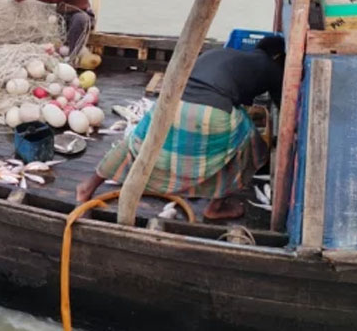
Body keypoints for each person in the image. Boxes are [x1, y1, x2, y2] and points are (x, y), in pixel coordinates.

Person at [75, 36, 286, 220]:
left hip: (169, 101)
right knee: (247, 140)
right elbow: (283, 106)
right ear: (276, 57)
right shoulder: (271, 67)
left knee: (137, 143)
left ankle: (87, 187)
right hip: (211, 110)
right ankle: (216, 206)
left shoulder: (225, 54)